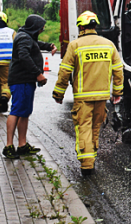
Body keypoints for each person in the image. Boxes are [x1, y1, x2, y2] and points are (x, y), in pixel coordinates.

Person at [52, 11, 123, 176]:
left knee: (84, 128)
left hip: (83, 98)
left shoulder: (75, 45)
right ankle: (91, 159)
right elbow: (118, 70)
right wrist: (117, 92)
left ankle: (87, 165)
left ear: (81, 26)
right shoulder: (108, 44)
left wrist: (59, 93)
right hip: (102, 97)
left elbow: (65, 72)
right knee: (95, 129)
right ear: (95, 26)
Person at [3, 14, 57, 159]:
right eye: (41, 28)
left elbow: (35, 45)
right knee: (16, 111)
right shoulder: (24, 38)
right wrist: (38, 74)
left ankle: (22, 145)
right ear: (35, 27)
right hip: (21, 80)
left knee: (24, 113)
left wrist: (49, 45)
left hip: (26, 81)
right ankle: (8, 146)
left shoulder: (26, 36)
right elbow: (24, 56)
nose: (42, 30)